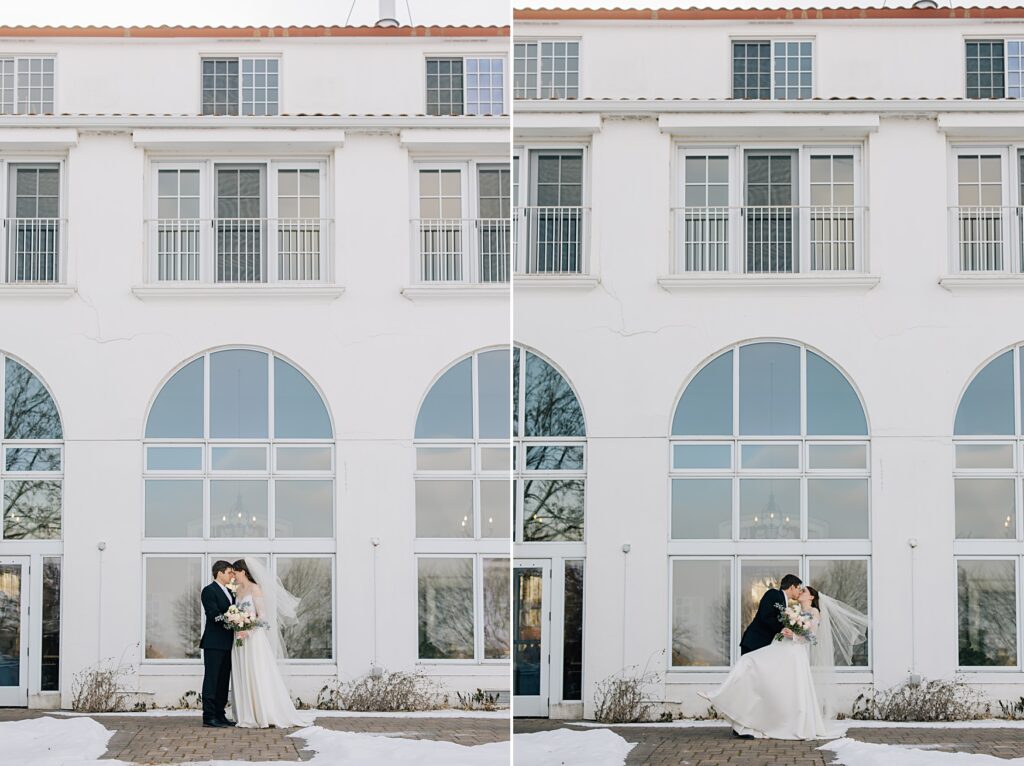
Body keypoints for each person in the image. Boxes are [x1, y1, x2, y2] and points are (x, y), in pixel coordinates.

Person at [701, 583, 868, 740]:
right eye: (800, 589)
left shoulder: (815, 612)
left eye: (804, 591)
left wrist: (793, 635)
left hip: (793, 654)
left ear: (811, 597)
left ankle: (774, 723)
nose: (801, 592)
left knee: (779, 686)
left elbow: (811, 637)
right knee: (748, 662)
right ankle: (730, 704)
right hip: (780, 647)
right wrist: (785, 630)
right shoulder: (793, 610)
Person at [228, 558, 314, 729]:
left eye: (235, 572)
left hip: (253, 639)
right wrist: (236, 624)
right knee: (243, 673)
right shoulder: (237, 591)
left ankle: (263, 712)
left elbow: (262, 616)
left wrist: (248, 630)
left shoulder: (255, 589)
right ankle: (247, 714)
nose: (233, 576)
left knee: (257, 672)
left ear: (243, 571)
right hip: (239, 639)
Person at [199, 560, 236, 728]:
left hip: (228, 643)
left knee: (223, 680)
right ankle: (209, 716)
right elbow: (213, 614)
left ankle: (220, 714)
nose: (232, 575)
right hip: (213, 642)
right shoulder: (209, 591)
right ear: (219, 573)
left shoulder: (230, 591)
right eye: (229, 572)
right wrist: (235, 620)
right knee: (212, 679)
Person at [739, 573, 803, 655]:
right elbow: (766, 617)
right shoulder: (773, 594)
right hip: (755, 643)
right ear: (792, 587)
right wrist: (783, 628)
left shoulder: (785, 603)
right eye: (799, 588)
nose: (800, 592)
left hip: (765, 645)